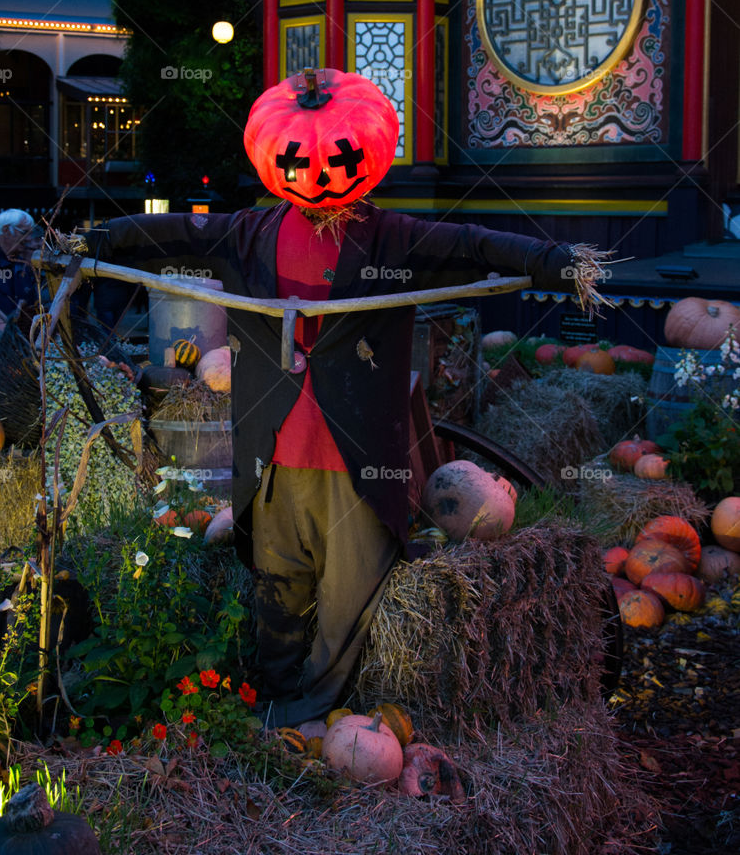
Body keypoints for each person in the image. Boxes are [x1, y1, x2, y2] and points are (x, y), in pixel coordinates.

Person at [84, 68, 604, 727]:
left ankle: (314, 717)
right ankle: (272, 705)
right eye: (299, 158)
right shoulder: (249, 234)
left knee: (346, 602)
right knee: (277, 590)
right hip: (272, 455)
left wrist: (558, 260)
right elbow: (178, 236)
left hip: (355, 462)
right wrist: (96, 241)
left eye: (334, 156)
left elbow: (473, 247)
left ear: (366, 152)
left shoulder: (393, 241)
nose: (317, 174)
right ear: (274, 159)